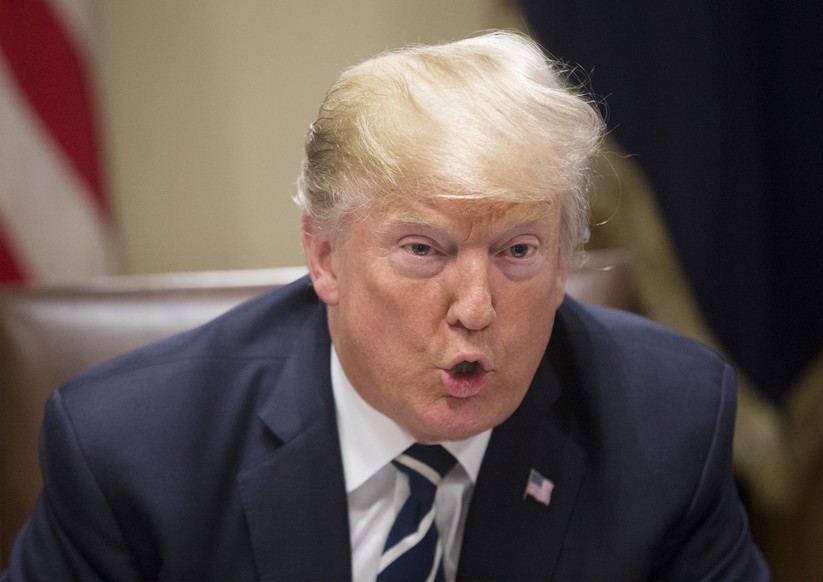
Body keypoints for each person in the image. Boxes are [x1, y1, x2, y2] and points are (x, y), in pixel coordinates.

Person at [2, 30, 768, 580]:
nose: (475, 308)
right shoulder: (130, 452)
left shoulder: (670, 421)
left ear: (565, 259)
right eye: (423, 250)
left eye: (518, 252)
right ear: (324, 256)